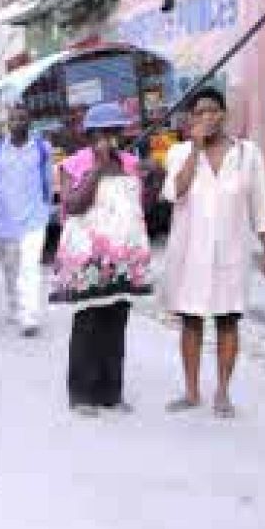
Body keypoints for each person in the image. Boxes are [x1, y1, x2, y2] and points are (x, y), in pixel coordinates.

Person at [160, 87, 265, 418]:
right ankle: (191, 391)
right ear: (190, 119)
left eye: (213, 110)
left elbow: (261, 203)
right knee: (191, 320)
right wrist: (195, 149)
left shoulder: (246, 154)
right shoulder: (179, 153)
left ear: (224, 114)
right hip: (190, 255)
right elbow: (174, 192)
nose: (207, 117)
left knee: (228, 320)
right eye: (199, 112)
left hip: (231, 253)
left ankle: (223, 392)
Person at [49, 102, 154, 416]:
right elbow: (73, 204)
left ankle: (111, 393)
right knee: (89, 323)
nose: (109, 139)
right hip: (88, 259)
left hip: (124, 256)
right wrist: (96, 170)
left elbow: (142, 206)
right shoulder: (72, 166)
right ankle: (81, 394)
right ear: (89, 136)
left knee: (116, 322)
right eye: (101, 133)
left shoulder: (131, 164)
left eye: (114, 132)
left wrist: (152, 179)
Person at [0, 102, 54, 336]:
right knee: (11, 268)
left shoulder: (42, 149)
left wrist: (47, 206)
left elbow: (48, 180)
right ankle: (15, 305)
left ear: (29, 122)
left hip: (34, 218)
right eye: (13, 119)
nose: (17, 123)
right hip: (6, 220)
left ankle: (29, 317)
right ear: (7, 123)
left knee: (30, 267)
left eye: (22, 119)